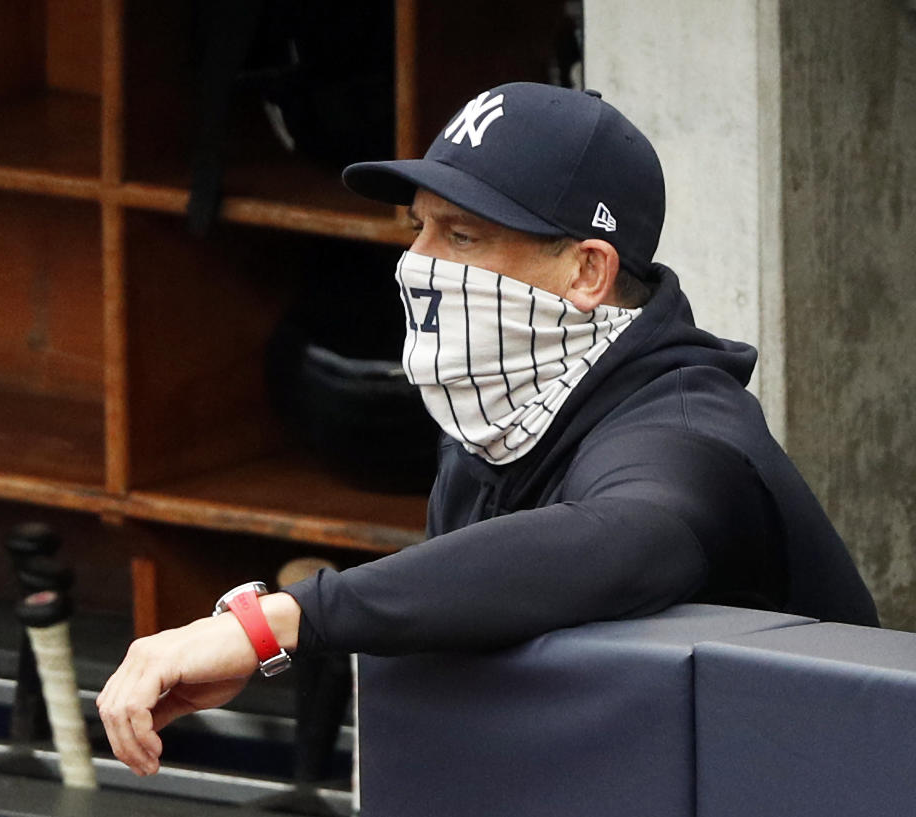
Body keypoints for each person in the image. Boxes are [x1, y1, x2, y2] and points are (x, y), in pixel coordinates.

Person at [97, 82, 879, 777]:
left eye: (461, 236)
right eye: (418, 226)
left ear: (586, 272)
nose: (418, 262)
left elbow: (619, 534)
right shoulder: (499, 417)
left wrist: (278, 623)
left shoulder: (686, 431)